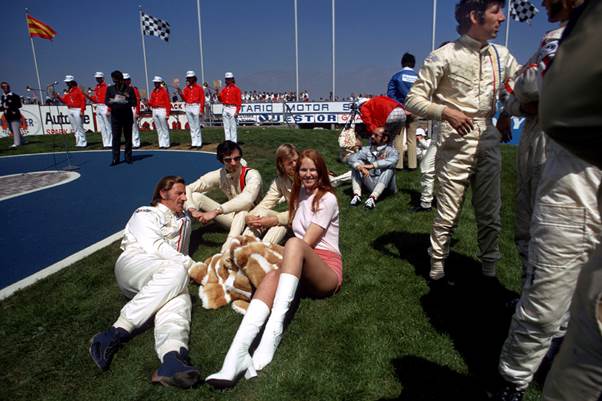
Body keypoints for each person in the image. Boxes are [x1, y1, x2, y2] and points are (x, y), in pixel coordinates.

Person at [494, 1, 602, 400]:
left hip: (576, 185)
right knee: (545, 300)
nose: (540, 4)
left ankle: (548, 362)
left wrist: (531, 95)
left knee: (581, 305)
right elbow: (533, 89)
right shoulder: (561, 37)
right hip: (567, 188)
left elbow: (539, 90)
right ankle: (514, 380)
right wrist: (527, 98)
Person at [205, 149, 342, 389]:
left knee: (293, 243)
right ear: (297, 172)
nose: (308, 174)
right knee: (270, 277)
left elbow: (306, 242)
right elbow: (290, 222)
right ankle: (235, 357)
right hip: (300, 265)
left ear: (321, 172)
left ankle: (273, 332)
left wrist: (280, 256)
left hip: (326, 271)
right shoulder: (299, 194)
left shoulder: (327, 198)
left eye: (313, 170)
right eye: (303, 170)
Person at [405, 0, 518, 282]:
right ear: (474, 16)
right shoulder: (443, 55)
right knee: (448, 212)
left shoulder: (501, 55)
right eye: (495, 11)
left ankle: (490, 268)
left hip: (488, 138)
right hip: (454, 142)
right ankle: (437, 264)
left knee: (491, 211)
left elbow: (521, 86)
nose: (502, 18)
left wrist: (506, 112)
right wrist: (445, 112)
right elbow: (413, 99)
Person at [89, 176, 200, 388]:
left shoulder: (184, 216)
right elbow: (156, 246)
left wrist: (198, 213)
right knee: (179, 273)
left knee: (180, 298)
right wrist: (194, 267)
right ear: (162, 194)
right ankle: (114, 333)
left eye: (185, 193)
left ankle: (172, 358)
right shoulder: (145, 213)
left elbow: (191, 210)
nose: (185, 197)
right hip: (134, 265)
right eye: (179, 193)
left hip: (165, 276)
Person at [185, 140, 262, 251]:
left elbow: (247, 200)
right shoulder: (220, 174)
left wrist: (216, 211)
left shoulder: (252, 174)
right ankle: (180, 233)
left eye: (237, 158)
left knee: (242, 210)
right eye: (228, 160)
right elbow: (189, 188)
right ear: (221, 160)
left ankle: (227, 248)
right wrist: (192, 209)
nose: (234, 163)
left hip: (254, 216)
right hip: (232, 217)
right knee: (196, 196)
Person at [347, 96, 404, 208]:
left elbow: (370, 124)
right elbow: (392, 100)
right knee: (388, 141)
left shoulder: (365, 107)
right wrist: (360, 166)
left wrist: (373, 133)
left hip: (391, 114)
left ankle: (372, 196)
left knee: (383, 139)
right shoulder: (376, 100)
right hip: (400, 112)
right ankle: (357, 195)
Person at [243, 144, 299, 244]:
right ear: (282, 165)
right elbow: (265, 204)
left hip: (304, 223)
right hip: (291, 220)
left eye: (296, 160)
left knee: (279, 223)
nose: (295, 164)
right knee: (262, 212)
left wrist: (275, 220)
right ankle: (244, 246)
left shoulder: (306, 178)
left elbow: (301, 212)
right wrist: (249, 217)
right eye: (290, 163)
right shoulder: (280, 181)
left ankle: (262, 250)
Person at [388, 52, 419, 170]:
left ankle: (398, 164)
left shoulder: (396, 76)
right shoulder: (419, 77)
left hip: (400, 109)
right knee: (412, 138)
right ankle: (412, 165)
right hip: (415, 109)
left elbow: (391, 94)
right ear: (414, 64)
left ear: (402, 63)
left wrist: (401, 106)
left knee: (398, 138)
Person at [105, 70, 136, 166]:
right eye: (113, 80)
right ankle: (115, 158)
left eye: (116, 80)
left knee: (128, 137)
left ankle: (128, 157)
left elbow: (134, 102)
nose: (115, 82)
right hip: (116, 116)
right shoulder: (110, 89)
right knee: (116, 138)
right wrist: (111, 102)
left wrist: (126, 101)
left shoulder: (129, 89)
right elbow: (106, 100)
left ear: (120, 79)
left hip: (127, 115)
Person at [55, 75, 87, 147]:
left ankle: (83, 142)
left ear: (72, 82)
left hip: (77, 110)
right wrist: (58, 96)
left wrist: (82, 110)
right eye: (66, 82)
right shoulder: (68, 91)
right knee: (75, 128)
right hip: (70, 110)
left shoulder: (78, 90)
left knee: (80, 127)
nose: (67, 83)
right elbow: (64, 101)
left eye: (68, 82)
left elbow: (83, 100)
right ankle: (78, 142)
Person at [177, 70, 205, 148]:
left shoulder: (199, 88)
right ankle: (194, 142)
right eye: (188, 78)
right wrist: (180, 94)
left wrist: (201, 110)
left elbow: (202, 99)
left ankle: (199, 143)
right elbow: (185, 99)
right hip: (188, 106)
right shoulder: (186, 88)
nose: (189, 79)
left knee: (197, 125)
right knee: (192, 126)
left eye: (190, 78)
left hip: (196, 106)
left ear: (194, 78)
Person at [85, 72, 112, 148]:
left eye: (99, 78)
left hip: (105, 106)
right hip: (98, 106)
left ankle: (110, 143)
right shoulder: (97, 87)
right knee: (102, 126)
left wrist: (109, 109)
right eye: (96, 78)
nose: (97, 79)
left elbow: (110, 99)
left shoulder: (107, 87)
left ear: (102, 78)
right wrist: (88, 96)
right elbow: (96, 99)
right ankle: (106, 143)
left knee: (108, 126)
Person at [218, 72, 242, 143]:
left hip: (233, 108)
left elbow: (239, 102)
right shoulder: (224, 89)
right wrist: (218, 95)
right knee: (226, 127)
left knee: (233, 127)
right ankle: (227, 142)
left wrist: (237, 111)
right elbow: (221, 100)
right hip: (225, 107)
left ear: (232, 79)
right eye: (226, 79)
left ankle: (233, 142)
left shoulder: (237, 89)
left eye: (229, 79)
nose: (228, 80)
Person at [148, 76, 171, 149]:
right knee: (158, 128)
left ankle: (166, 144)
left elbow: (167, 103)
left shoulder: (164, 91)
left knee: (164, 127)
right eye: (154, 82)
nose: (155, 84)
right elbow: (151, 101)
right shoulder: (153, 91)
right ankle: (161, 144)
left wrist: (167, 113)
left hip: (162, 109)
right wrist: (147, 103)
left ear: (159, 83)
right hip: (155, 110)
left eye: (156, 82)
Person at [0, 82, 24, 148]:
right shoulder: (3, 97)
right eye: (4, 87)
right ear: (2, 88)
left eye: (7, 86)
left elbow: (19, 105)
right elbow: (3, 106)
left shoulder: (15, 96)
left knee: (15, 129)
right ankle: (22, 140)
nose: (6, 88)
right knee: (11, 129)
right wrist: (2, 108)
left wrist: (10, 107)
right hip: (7, 116)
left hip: (14, 115)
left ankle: (17, 143)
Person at [123, 73, 141, 148]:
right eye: (124, 80)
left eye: (126, 80)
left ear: (129, 80)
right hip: (124, 109)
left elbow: (137, 101)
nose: (125, 81)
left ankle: (136, 143)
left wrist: (137, 111)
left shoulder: (134, 89)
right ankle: (129, 142)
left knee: (134, 126)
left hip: (132, 108)